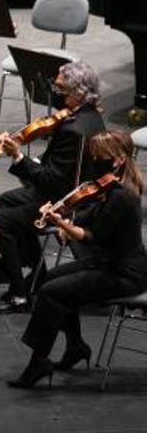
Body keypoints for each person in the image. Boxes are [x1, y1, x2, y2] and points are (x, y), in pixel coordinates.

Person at [8, 130, 147, 389]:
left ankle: (38, 363)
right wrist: (61, 216)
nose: (94, 160)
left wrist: (62, 223)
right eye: (93, 155)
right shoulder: (110, 187)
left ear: (118, 160)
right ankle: (75, 346)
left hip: (125, 275)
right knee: (50, 279)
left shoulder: (122, 195)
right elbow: (89, 214)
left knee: (51, 292)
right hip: (108, 263)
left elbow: (91, 236)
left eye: (100, 156)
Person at [0, 62, 106, 314]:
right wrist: (31, 166)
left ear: (80, 92)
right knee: (9, 200)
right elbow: (59, 166)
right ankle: (38, 276)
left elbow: (53, 181)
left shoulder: (73, 129)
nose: (56, 94)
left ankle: (18, 295)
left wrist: (19, 158)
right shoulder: (91, 117)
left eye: (61, 89)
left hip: (66, 203)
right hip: (71, 188)